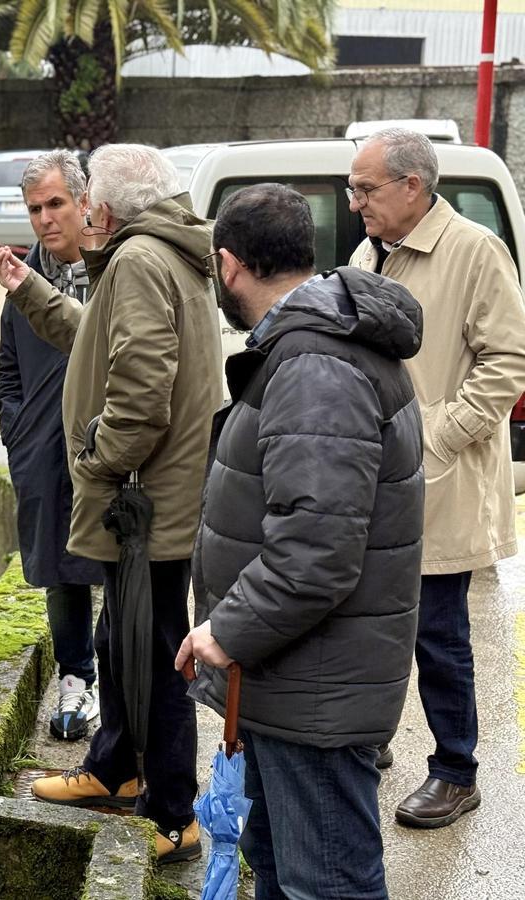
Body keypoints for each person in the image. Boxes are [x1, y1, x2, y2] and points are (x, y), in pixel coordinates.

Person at [177, 182, 425, 899]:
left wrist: (227, 628)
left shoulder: (316, 366)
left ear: (229, 265)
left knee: (327, 885)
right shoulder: (315, 347)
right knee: (287, 877)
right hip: (296, 682)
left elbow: (316, 550)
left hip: (314, 695)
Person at [0, 143, 222, 863]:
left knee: (154, 654)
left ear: (107, 206)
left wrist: (94, 460)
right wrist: (30, 290)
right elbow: (95, 339)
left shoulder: (140, 263)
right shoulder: (147, 255)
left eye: (83, 197)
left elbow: (142, 399)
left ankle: (175, 816)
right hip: (143, 501)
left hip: (144, 504)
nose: (78, 208)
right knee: (116, 643)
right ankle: (114, 771)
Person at [348, 127, 525, 828]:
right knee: (368, 617)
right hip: (372, 474)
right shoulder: (370, 250)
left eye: (365, 188)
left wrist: (436, 435)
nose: (353, 200)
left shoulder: (476, 250)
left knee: (438, 631)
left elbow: (508, 363)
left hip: (438, 478)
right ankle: (373, 735)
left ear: (412, 187)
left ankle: (456, 770)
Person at [0, 150, 104, 741]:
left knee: (117, 567)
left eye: (56, 203)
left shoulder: (114, 270)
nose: (44, 218)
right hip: (41, 450)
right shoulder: (23, 276)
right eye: (34, 207)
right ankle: (75, 677)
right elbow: (6, 369)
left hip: (108, 452)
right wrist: (17, 432)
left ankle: (120, 679)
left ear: (84, 202)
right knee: (61, 569)